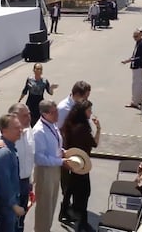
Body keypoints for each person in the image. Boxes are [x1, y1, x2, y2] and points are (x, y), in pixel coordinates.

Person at [0, 103, 35, 232]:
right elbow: (3, 182)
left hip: (23, 186)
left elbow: (29, 159)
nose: (29, 118)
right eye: (25, 115)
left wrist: (29, 182)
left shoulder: (27, 132)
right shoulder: (2, 148)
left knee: (18, 225)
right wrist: (13, 205)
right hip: (9, 198)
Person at [60, 100, 101, 232]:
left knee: (71, 188)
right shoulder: (83, 128)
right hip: (82, 163)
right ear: (83, 112)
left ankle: (64, 211)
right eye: (89, 110)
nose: (91, 113)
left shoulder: (70, 124)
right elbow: (94, 144)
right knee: (84, 193)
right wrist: (99, 129)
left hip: (73, 160)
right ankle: (82, 222)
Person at [33, 99, 72, 232]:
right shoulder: (39, 131)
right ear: (45, 113)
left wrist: (63, 152)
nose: (57, 115)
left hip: (54, 168)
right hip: (45, 172)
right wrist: (60, 162)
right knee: (45, 207)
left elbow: (55, 146)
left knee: (52, 203)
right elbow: (40, 158)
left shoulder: (52, 125)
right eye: (54, 112)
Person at [57, 81, 91, 223]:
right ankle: (68, 209)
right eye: (85, 97)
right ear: (77, 95)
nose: (87, 100)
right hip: (68, 152)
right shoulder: (63, 108)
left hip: (78, 152)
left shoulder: (78, 107)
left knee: (74, 186)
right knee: (68, 184)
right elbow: (59, 131)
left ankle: (69, 209)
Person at [0, 114, 25, 232]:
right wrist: (14, 205)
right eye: (16, 128)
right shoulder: (4, 153)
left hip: (9, 204)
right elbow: (3, 182)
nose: (20, 130)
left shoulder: (10, 148)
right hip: (5, 206)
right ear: (4, 130)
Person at [18, 63, 58, 127]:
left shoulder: (45, 81)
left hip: (39, 103)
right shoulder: (29, 79)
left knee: (39, 121)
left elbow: (50, 93)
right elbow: (25, 90)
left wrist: (52, 88)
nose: (39, 71)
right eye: (37, 69)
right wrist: (20, 99)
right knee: (31, 121)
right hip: (30, 102)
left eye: (40, 69)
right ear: (34, 70)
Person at [121, 30, 142, 109]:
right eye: (134, 37)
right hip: (137, 66)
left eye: (136, 36)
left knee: (136, 85)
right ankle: (139, 100)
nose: (135, 38)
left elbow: (141, 57)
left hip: (139, 66)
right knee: (139, 84)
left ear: (140, 35)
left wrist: (129, 60)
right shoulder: (139, 42)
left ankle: (135, 102)